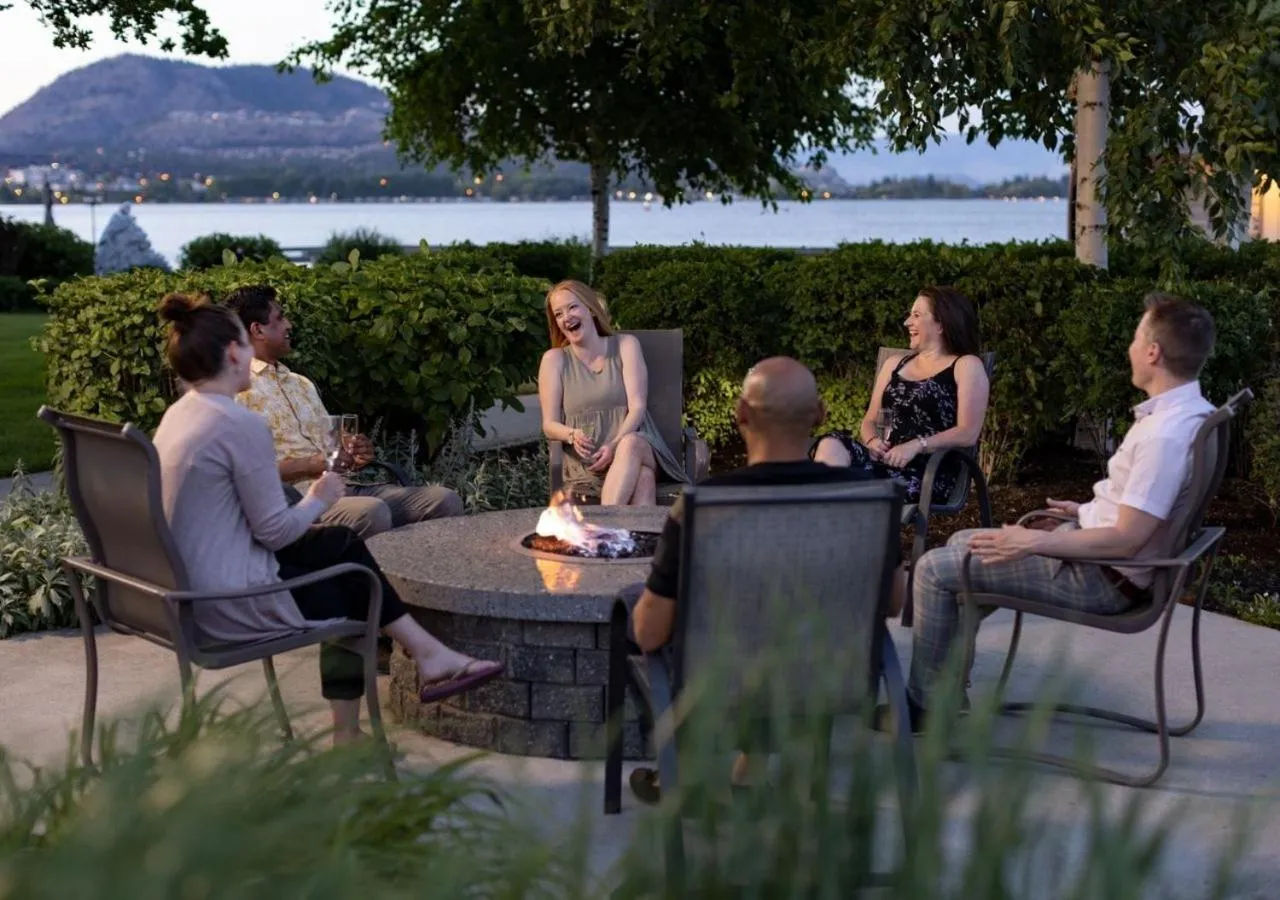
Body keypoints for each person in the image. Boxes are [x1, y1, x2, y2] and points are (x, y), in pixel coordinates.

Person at [151, 292, 503, 745]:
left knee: (342, 547)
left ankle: (424, 655)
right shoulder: (237, 424)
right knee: (353, 584)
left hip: (187, 591)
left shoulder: (178, 417)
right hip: (229, 605)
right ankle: (358, 725)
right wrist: (319, 495)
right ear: (236, 350)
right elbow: (276, 533)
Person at [888, 293, 1216, 733]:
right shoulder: (1192, 414)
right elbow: (1146, 509)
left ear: (1154, 352)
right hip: (1108, 560)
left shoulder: (1165, 436)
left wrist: (1035, 540)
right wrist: (1087, 510)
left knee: (932, 570)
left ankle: (924, 709)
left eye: (1137, 339)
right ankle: (946, 693)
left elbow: (1127, 539)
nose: (1131, 348)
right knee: (966, 545)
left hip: (1103, 579)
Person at [628, 357, 904, 801]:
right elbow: (893, 602)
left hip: (722, 692)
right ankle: (748, 777)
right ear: (820, 416)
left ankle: (690, 771)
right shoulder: (867, 499)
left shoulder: (705, 507)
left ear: (740, 414)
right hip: (828, 685)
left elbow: (649, 630)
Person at [225, 284, 463, 538]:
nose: (289, 325)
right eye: (280, 317)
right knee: (371, 512)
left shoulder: (300, 383)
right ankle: (370, 579)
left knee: (444, 499)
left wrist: (353, 452)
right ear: (257, 329)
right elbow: (243, 475)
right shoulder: (238, 388)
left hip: (348, 486)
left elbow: (333, 446)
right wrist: (310, 464)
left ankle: (421, 575)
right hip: (299, 499)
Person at [812, 286, 989, 504]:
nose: (907, 322)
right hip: (882, 461)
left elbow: (968, 433)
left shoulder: (966, 365)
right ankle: (824, 513)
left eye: (916, 315)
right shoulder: (894, 364)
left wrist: (916, 445)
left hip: (925, 471)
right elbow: (869, 419)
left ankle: (826, 519)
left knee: (848, 484)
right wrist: (872, 441)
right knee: (832, 443)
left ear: (941, 323)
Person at [537, 280, 687, 505]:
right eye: (558, 314)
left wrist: (614, 445)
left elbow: (637, 407)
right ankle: (634, 538)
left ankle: (605, 526)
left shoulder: (626, 345)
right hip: (588, 465)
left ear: (591, 309)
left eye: (572, 307)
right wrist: (571, 434)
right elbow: (549, 424)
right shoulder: (554, 360)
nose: (566, 317)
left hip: (640, 447)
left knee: (631, 444)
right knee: (644, 478)